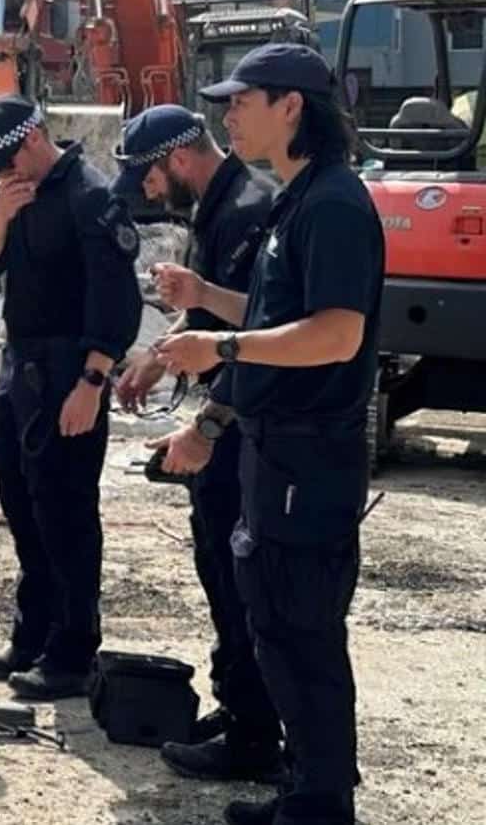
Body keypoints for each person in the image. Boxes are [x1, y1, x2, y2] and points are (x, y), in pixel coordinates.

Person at [155, 44, 383, 825]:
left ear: (292, 106)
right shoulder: (298, 199)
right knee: (279, 629)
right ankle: (307, 790)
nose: (228, 114)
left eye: (241, 99)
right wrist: (210, 298)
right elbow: (274, 313)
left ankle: (320, 806)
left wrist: (220, 347)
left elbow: (334, 334)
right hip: (277, 452)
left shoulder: (333, 205)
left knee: (304, 635)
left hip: (310, 458)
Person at [111, 106, 282, 783]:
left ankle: (253, 735)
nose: (149, 193)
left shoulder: (246, 210)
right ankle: (244, 707)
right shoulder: (220, 207)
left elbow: (263, 339)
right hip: (231, 426)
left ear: (178, 160)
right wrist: (159, 356)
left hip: (242, 431)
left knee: (242, 583)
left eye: (150, 178)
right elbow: (212, 314)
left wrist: (209, 425)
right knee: (221, 574)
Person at [0, 95, 142, 701]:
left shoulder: (90, 197)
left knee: (66, 514)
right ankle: (34, 631)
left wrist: (93, 383)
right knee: (23, 505)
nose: (4, 175)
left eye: (8, 162)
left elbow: (116, 300)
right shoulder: (18, 197)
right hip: (22, 369)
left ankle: (72, 649)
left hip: (70, 370)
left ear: (34, 140)